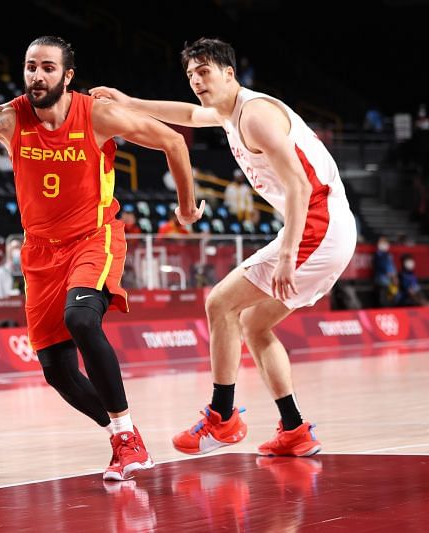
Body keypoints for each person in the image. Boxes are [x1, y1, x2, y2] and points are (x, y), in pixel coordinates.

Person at [0, 35, 202, 480]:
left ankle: (126, 437)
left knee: (81, 319)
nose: (37, 76)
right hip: (39, 251)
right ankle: (123, 435)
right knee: (57, 372)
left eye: (48, 68)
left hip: (94, 238)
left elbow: (174, 141)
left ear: (68, 76)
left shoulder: (97, 114)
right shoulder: (5, 117)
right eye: (31, 66)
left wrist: (186, 206)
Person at [92, 37, 357, 457]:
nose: (197, 81)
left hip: (319, 224)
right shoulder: (230, 112)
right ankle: (294, 429)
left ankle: (223, 416)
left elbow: (300, 185)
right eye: (191, 74)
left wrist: (288, 254)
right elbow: (190, 115)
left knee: (220, 304)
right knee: (253, 324)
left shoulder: (255, 116)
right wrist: (131, 102)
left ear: (229, 73)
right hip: (326, 227)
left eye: (205, 72)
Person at [373, 236, 398, 307]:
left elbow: (392, 267)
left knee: (391, 300)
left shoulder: (389, 255)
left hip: (390, 282)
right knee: (382, 302)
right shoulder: (378, 255)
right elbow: (384, 267)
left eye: (385, 242)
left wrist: (395, 276)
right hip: (382, 282)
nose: (384, 244)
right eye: (382, 242)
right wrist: (392, 276)